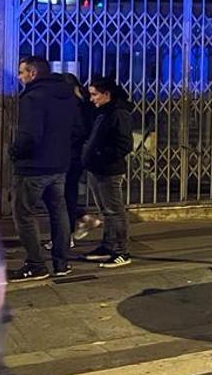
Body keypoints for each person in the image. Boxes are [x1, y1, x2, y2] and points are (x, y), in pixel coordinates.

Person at [8, 56, 82, 282]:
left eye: (21, 73)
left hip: (34, 166)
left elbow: (29, 135)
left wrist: (15, 152)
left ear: (32, 73)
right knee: (58, 212)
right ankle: (61, 262)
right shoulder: (68, 96)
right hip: (59, 165)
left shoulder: (33, 98)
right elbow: (78, 129)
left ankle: (35, 263)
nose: (19, 77)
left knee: (23, 212)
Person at [81, 76, 134, 268]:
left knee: (114, 211)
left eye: (95, 94)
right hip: (98, 168)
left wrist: (101, 154)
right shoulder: (103, 111)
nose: (92, 98)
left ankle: (121, 251)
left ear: (107, 94)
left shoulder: (118, 113)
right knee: (106, 211)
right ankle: (108, 245)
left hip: (109, 169)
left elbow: (125, 144)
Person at [59, 73, 98, 246]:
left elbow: (79, 131)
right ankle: (80, 219)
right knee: (67, 193)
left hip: (71, 155)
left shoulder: (74, 104)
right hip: (77, 155)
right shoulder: (84, 103)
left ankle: (67, 234)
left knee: (63, 194)